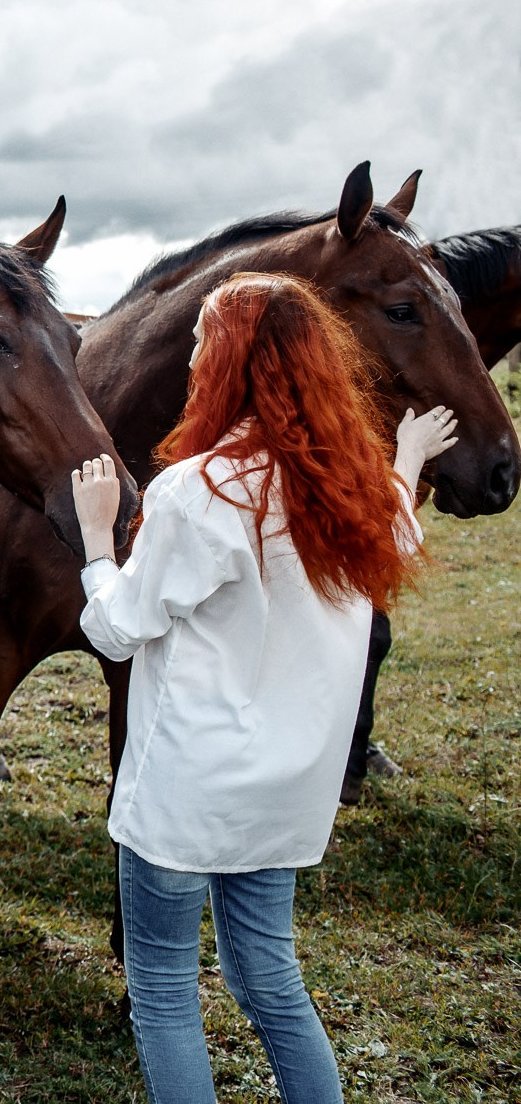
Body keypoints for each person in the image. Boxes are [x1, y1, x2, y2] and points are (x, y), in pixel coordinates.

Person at [71, 271, 455, 1104]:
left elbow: (115, 629)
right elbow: (396, 516)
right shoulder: (347, 493)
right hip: (286, 794)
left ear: (234, 365)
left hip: (188, 795)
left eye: (207, 344)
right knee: (271, 981)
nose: (195, 361)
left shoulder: (197, 492)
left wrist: (97, 537)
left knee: (166, 990)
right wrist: (410, 457)